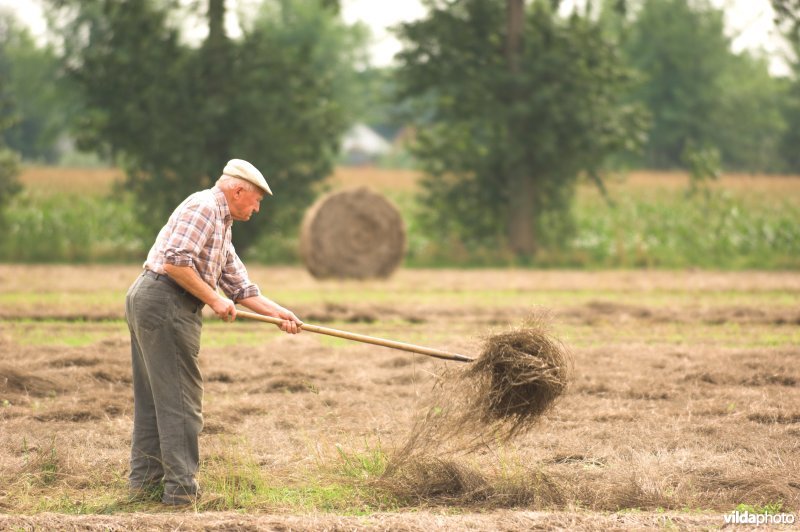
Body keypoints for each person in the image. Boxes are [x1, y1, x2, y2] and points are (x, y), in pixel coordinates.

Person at [124, 159, 302, 505]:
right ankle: (180, 494)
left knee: (156, 403)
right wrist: (214, 300)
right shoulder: (205, 207)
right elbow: (176, 262)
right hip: (165, 303)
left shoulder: (222, 223)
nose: (257, 208)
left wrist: (281, 314)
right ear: (238, 191)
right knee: (180, 403)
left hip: (154, 300)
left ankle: (143, 488)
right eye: (257, 201)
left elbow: (241, 287)